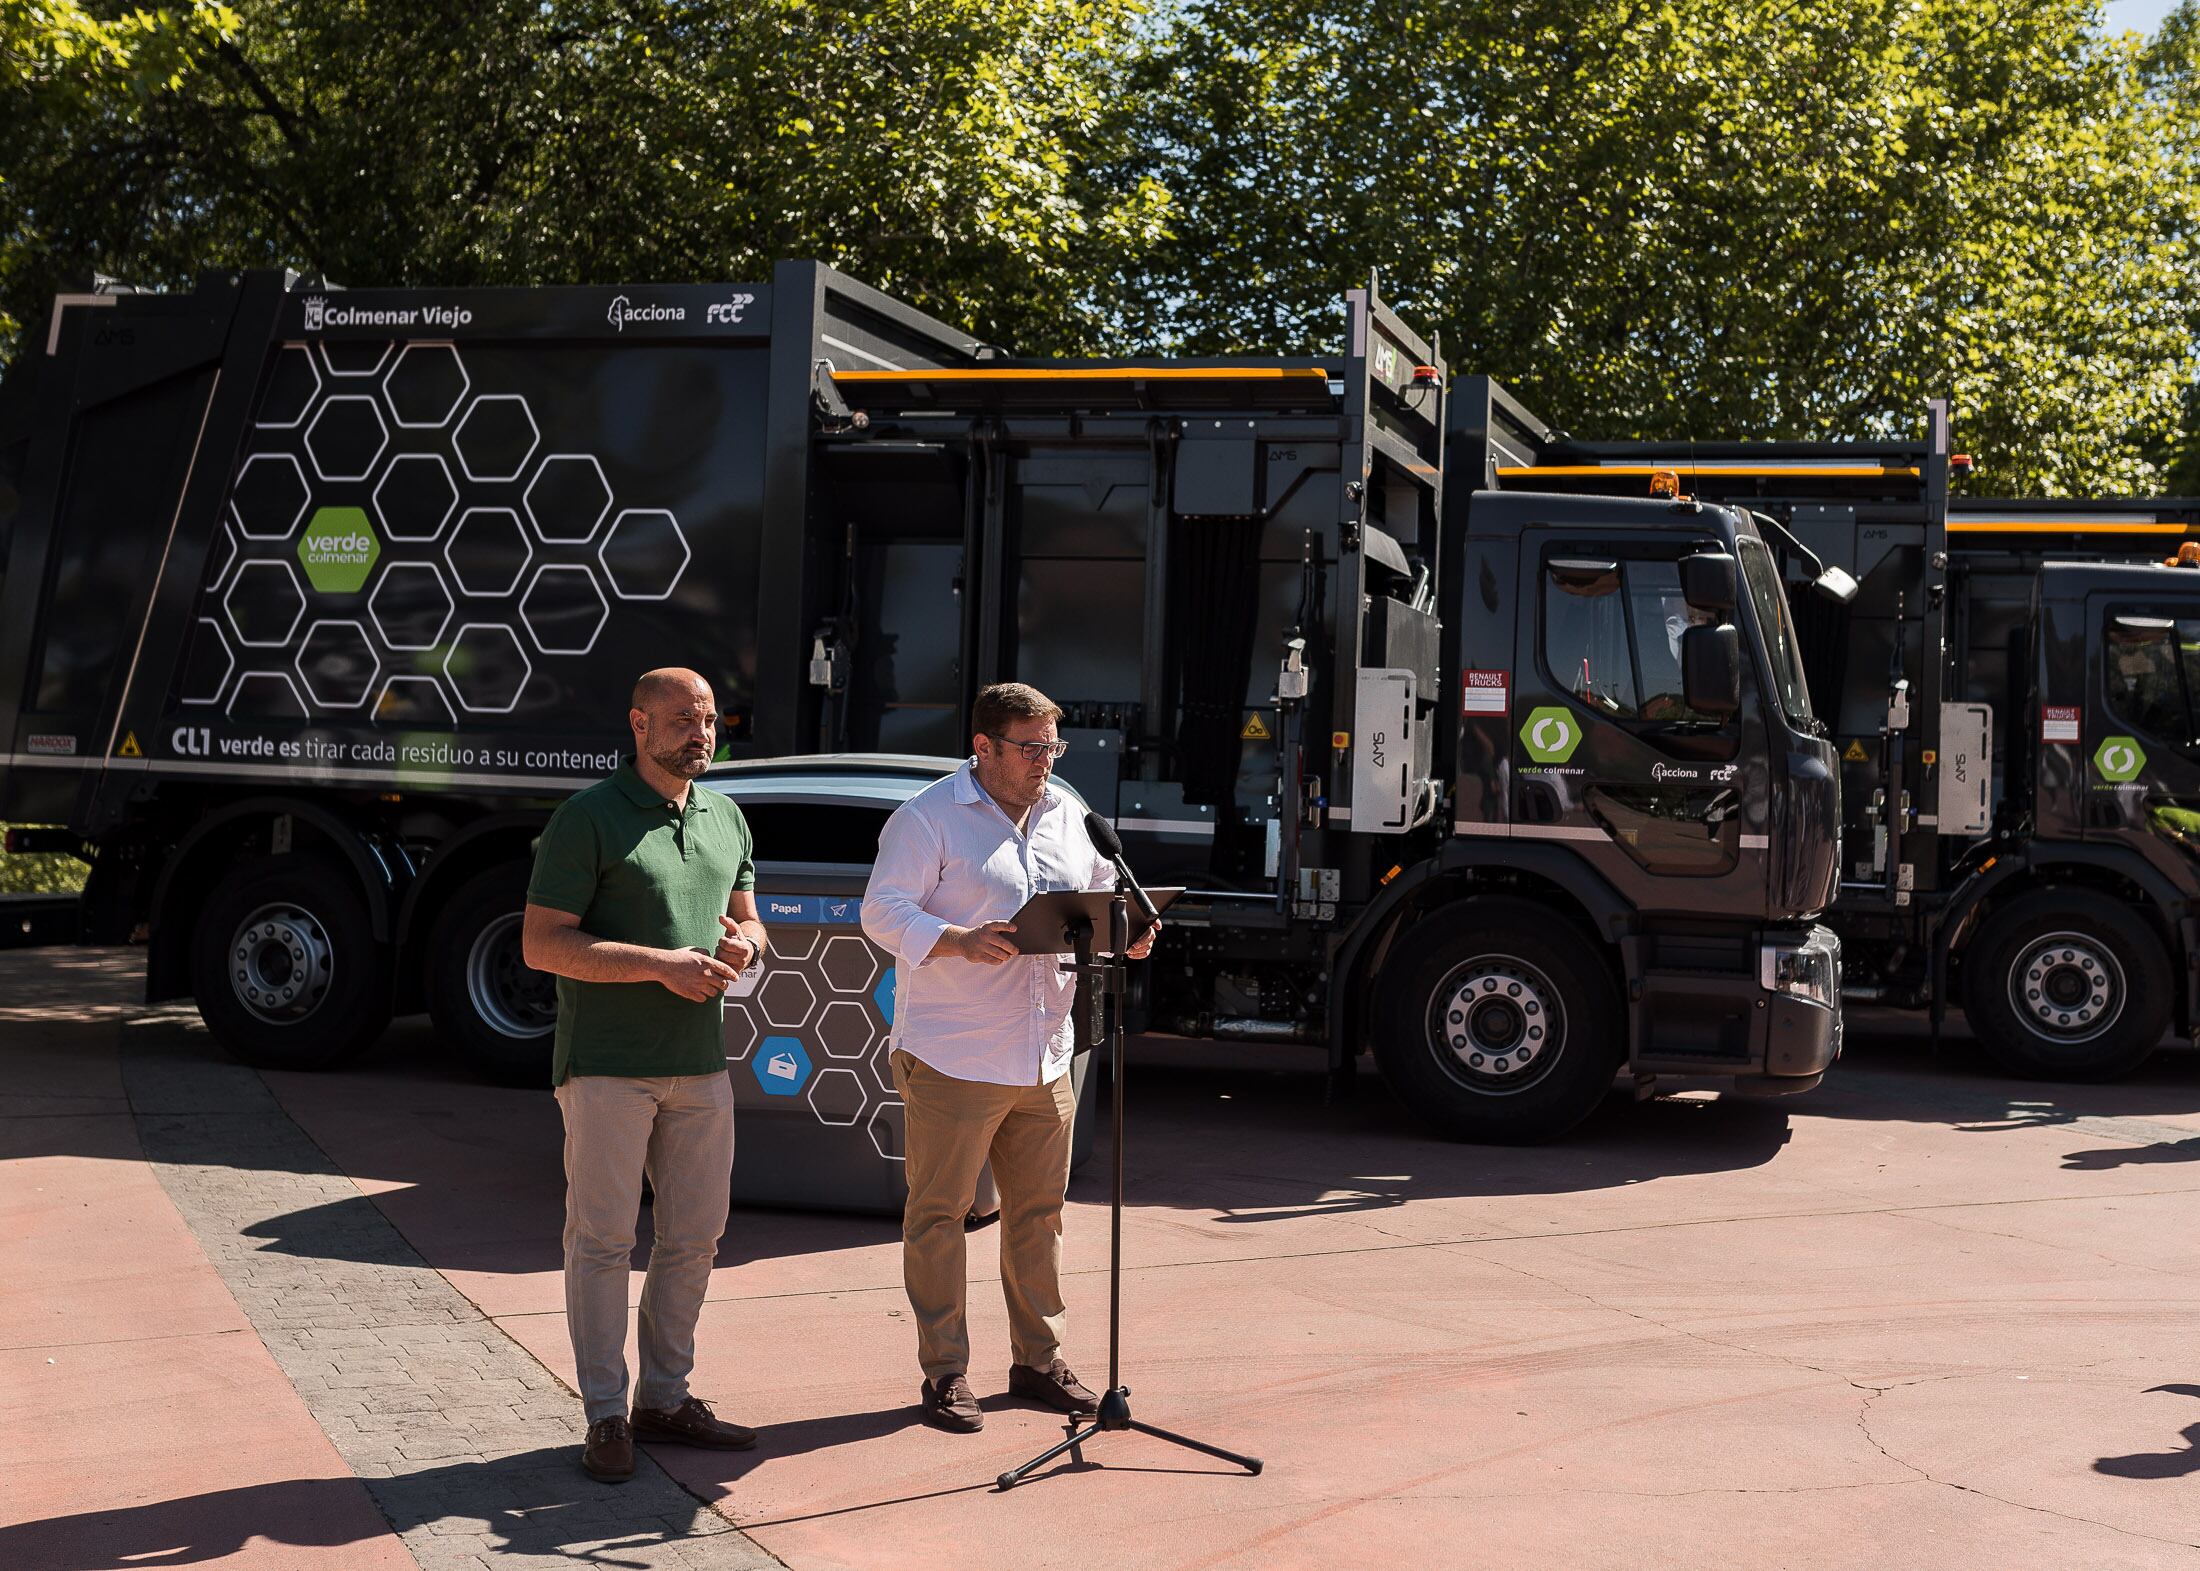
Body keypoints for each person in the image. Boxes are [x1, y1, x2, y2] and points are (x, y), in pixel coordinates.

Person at [860, 681, 1154, 1433]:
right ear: (983, 746)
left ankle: (1037, 1359)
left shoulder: (1069, 814)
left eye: (1053, 746)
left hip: (1045, 1053)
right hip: (955, 1053)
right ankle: (945, 1371)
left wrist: (1125, 927)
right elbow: (881, 909)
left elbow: (1094, 898)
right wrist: (956, 940)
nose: (1045, 762)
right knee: (939, 1215)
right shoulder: (929, 817)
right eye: (1031, 747)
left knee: (1038, 1215)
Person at [521, 667, 768, 1483]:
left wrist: (745, 944)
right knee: (602, 1240)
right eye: (682, 720)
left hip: (701, 1063)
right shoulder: (585, 818)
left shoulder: (726, 815)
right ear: (638, 723)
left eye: (708, 719)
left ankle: (665, 1398)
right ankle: (603, 1415)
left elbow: (749, 919)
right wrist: (661, 965)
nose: (701, 732)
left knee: (695, 1236)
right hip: (606, 1067)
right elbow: (543, 943)